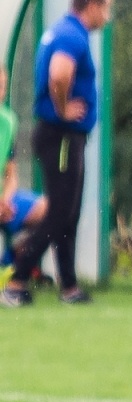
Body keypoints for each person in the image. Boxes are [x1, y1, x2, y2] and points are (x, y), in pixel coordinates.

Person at [3, 0, 111, 308]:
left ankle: (69, 286)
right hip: (61, 135)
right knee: (59, 212)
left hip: (60, 136)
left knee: (68, 213)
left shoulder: (61, 31)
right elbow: (60, 74)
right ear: (91, 5)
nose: (107, 16)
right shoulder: (72, 35)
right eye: (105, 8)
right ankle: (16, 281)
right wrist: (63, 109)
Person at [1, 65, 50, 273]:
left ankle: (12, 264)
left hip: (3, 202)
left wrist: (5, 200)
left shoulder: (8, 121)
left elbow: (11, 174)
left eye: (2, 86)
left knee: (50, 210)